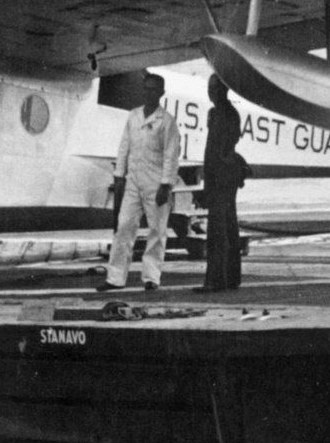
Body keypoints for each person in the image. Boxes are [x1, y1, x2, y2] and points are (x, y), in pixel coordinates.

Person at [99, 72, 181, 291]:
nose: (148, 92)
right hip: (133, 182)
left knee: (156, 230)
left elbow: (171, 155)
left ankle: (151, 278)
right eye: (146, 88)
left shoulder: (167, 122)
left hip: (156, 184)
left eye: (153, 89)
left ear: (161, 93)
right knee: (124, 226)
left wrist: (166, 184)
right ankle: (115, 278)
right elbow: (124, 147)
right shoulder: (133, 116)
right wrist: (119, 177)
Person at [194, 75, 248, 292]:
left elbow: (214, 151)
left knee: (217, 230)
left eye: (213, 88)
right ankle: (231, 277)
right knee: (229, 228)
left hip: (219, 176)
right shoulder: (231, 113)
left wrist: (208, 183)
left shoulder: (217, 114)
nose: (210, 92)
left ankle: (216, 280)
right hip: (228, 175)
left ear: (222, 90)